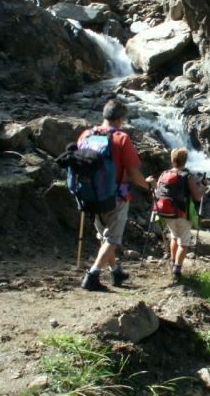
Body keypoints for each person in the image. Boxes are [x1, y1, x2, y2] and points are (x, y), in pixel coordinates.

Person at [80, 99, 156, 291]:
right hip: (115, 196)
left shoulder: (86, 135)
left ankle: (115, 271)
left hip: (90, 193)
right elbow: (132, 172)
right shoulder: (121, 138)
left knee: (103, 235)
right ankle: (93, 275)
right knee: (112, 239)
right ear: (120, 119)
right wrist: (147, 185)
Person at [155, 147, 206, 282]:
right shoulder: (188, 176)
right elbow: (196, 197)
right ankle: (177, 270)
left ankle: (173, 262)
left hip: (166, 212)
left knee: (174, 237)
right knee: (184, 242)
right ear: (185, 161)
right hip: (182, 213)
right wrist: (204, 188)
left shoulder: (164, 174)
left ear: (172, 160)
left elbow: (157, 190)